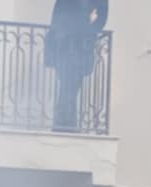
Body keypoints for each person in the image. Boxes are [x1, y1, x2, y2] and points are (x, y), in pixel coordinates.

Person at [46, 0, 109, 132]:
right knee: (67, 86)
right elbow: (58, 15)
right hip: (64, 48)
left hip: (81, 49)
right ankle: (66, 124)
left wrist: (88, 30)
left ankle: (64, 124)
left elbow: (101, 19)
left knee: (72, 87)